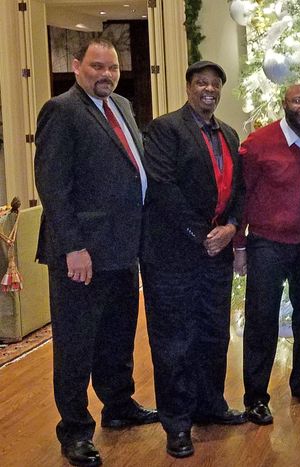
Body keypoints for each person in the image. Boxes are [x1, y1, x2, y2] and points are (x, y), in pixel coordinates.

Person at [34, 37, 156, 467]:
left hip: (123, 249)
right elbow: (53, 186)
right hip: (81, 255)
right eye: (97, 67)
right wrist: (73, 247)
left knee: (117, 337)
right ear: (76, 66)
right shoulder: (62, 110)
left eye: (113, 68)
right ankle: (74, 431)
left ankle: (118, 406)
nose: (106, 74)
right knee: (76, 344)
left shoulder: (121, 105)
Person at [142, 61, 246, 458]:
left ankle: (210, 406)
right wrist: (201, 234)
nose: (209, 90)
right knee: (175, 341)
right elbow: (164, 189)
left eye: (215, 84)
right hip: (173, 255)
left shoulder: (229, 133)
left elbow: (239, 188)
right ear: (188, 87)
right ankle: (178, 423)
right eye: (201, 83)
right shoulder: (165, 129)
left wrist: (233, 226)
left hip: (216, 253)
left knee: (212, 334)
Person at [235, 84, 300, 426]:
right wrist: (240, 246)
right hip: (267, 243)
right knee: (261, 320)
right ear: (284, 105)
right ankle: (256, 398)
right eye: (298, 101)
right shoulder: (259, 143)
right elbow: (241, 197)